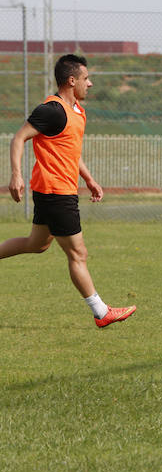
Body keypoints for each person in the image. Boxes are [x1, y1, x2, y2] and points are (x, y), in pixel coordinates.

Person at [2, 54, 136, 328]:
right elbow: (18, 138)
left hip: (59, 189)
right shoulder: (52, 110)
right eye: (86, 79)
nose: (91, 83)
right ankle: (101, 312)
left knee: (36, 244)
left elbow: (71, 151)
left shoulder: (77, 112)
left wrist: (89, 178)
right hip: (55, 192)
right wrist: (16, 175)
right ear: (71, 80)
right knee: (78, 253)